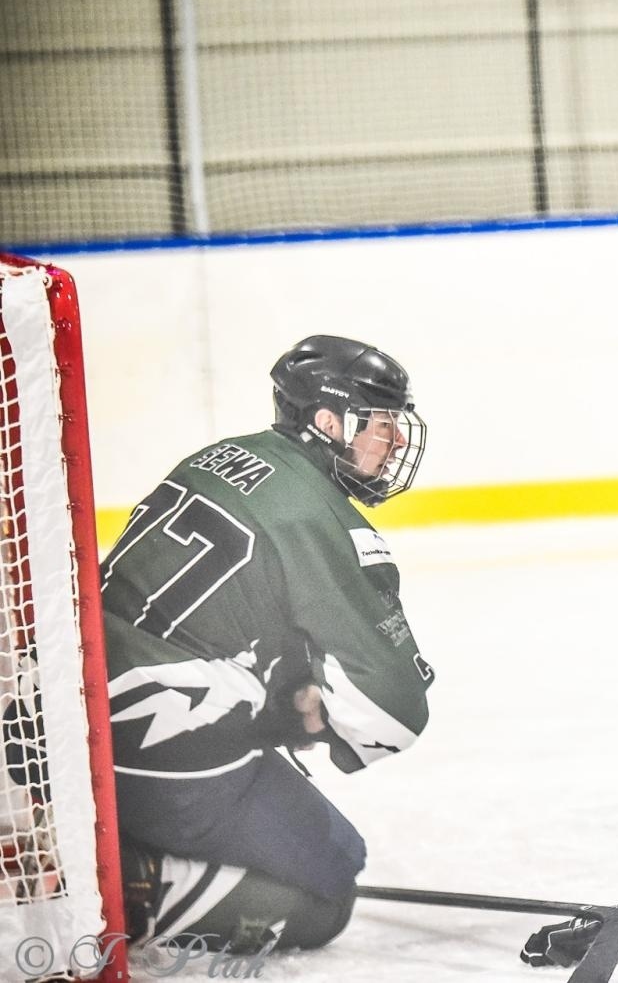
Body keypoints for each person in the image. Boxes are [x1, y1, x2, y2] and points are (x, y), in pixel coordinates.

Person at [100, 334, 432, 951]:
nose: (393, 444)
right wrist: (310, 713)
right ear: (331, 421)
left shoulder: (218, 456)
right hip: (157, 747)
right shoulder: (328, 523)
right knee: (329, 883)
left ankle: (105, 833)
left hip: (67, 719)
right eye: (382, 425)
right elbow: (392, 710)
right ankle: (124, 890)